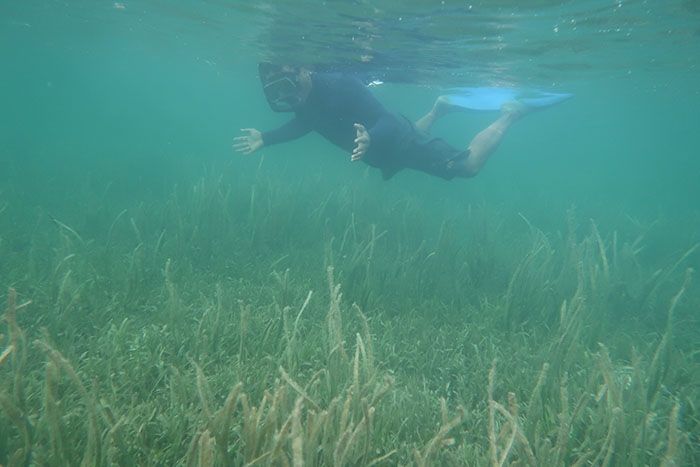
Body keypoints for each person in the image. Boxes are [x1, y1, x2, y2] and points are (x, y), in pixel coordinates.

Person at [233, 63, 528, 181]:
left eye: (291, 84)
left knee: (468, 167)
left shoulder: (341, 84)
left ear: (304, 71)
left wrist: (370, 137)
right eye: (282, 90)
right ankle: (440, 109)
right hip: (385, 154)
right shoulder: (305, 100)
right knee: (411, 144)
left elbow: (386, 119)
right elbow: (304, 123)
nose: (291, 95)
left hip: (396, 140)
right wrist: (266, 138)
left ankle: (510, 114)